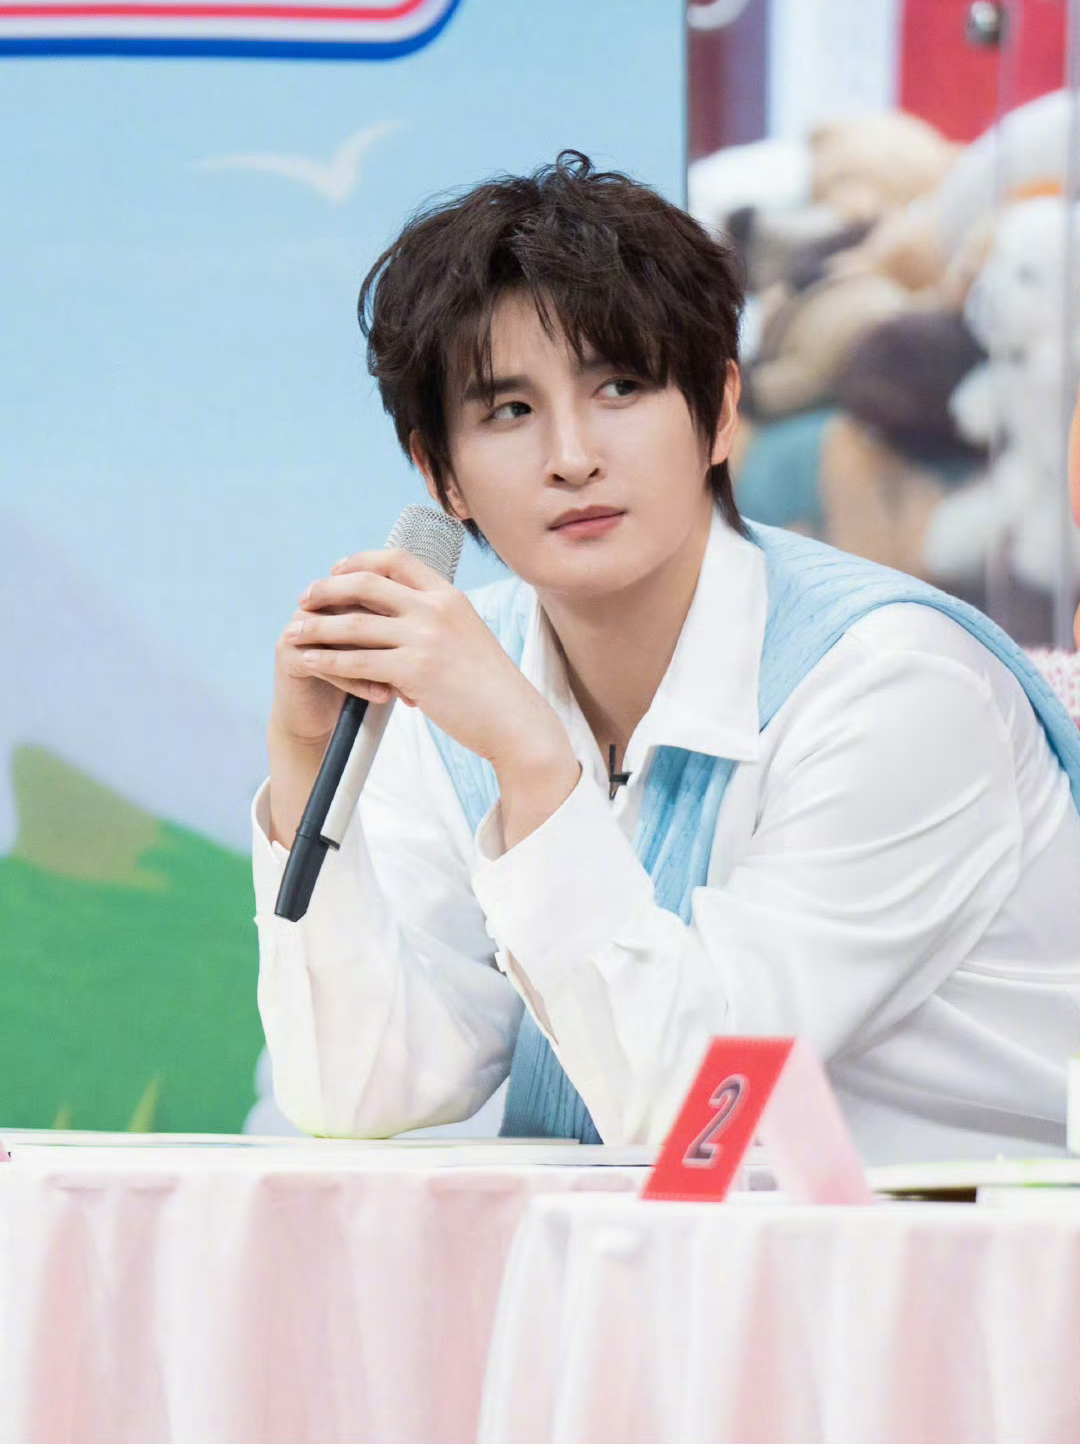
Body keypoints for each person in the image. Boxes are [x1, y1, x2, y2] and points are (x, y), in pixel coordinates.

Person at [253, 152, 1080, 1165]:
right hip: (662, 1253)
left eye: (621, 386)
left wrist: (534, 760)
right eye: (509, 411)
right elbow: (359, 1087)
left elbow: (702, 1106)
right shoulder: (457, 678)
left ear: (721, 411)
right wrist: (307, 769)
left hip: (959, 1249)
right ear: (441, 476)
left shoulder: (895, 684)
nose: (572, 457)